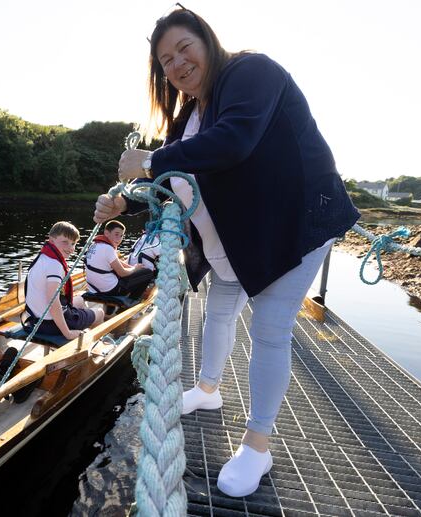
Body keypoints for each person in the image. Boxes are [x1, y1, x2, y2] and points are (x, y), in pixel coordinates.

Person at [94, 8, 359, 498]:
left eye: (183, 48)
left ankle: (258, 446)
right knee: (218, 312)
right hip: (233, 243)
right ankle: (210, 391)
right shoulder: (187, 115)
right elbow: (176, 182)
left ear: (207, 40)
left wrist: (150, 160)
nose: (177, 64)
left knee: (270, 328)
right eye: (166, 60)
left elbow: (233, 141)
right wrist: (123, 201)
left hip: (291, 229)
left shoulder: (252, 72)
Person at [23, 221, 105, 340]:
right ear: (51, 240)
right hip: (50, 325)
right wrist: (68, 333)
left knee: (80, 300)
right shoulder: (55, 265)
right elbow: (52, 300)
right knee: (100, 312)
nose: (70, 248)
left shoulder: (42, 257)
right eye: (65, 242)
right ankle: (93, 344)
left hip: (35, 319)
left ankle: (81, 322)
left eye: (73, 244)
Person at [84, 220, 154, 299]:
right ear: (106, 233)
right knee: (148, 273)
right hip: (111, 290)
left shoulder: (95, 245)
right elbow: (122, 273)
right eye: (116, 234)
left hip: (94, 288)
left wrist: (131, 267)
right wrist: (135, 269)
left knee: (136, 272)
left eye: (121, 236)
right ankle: (132, 301)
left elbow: (116, 261)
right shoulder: (108, 249)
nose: (119, 239)